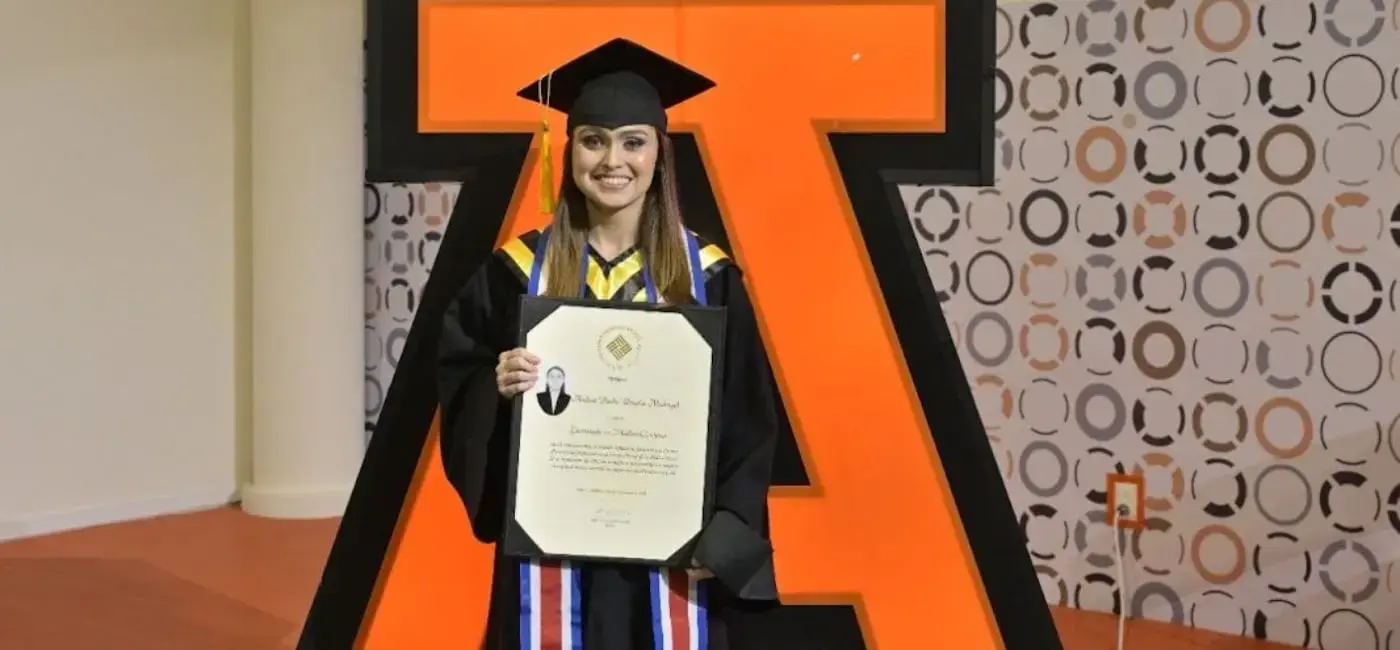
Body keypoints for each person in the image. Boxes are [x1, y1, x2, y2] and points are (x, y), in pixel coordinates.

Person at [436, 37, 781, 650]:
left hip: (672, 557)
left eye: (633, 141)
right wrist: (496, 387)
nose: (612, 160)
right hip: (553, 556)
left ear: (659, 155)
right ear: (568, 152)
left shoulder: (709, 278)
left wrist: (727, 535)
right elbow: (459, 380)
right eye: (594, 139)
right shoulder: (515, 275)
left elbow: (750, 420)